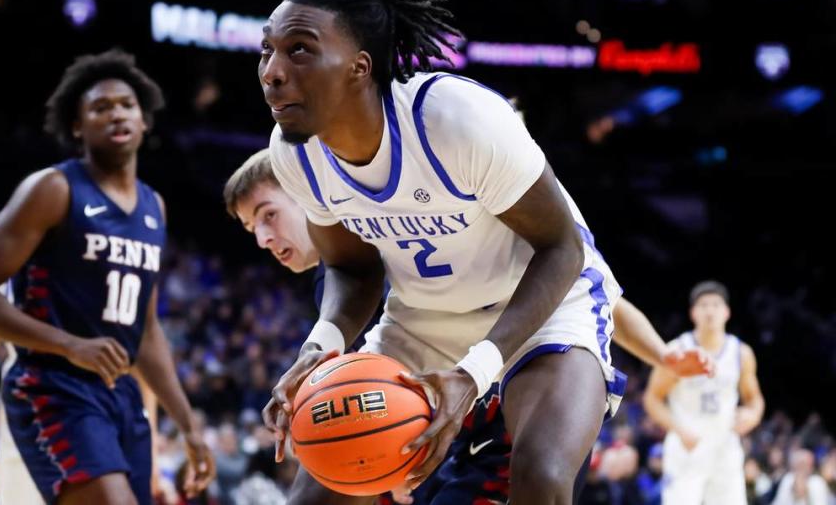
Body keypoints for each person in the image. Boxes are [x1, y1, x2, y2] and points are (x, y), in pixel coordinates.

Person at [228, 73, 708, 505]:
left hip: (507, 416)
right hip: (445, 422)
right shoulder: (352, 268)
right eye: (252, 230)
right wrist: (376, 456)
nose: (265, 239)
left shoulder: (505, 212)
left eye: (268, 215)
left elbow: (603, 302)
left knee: (538, 474)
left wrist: (662, 356)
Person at [0, 49, 215, 505]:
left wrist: (188, 425)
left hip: (121, 396)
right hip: (53, 386)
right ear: (77, 126)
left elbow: (146, 331)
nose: (116, 113)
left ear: (145, 120)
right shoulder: (52, 189)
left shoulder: (155, 208)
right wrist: (69, 344)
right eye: (100, 107)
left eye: (127, 104)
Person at [0, 315, 162, 504]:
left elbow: (140, 355)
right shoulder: (8, 263)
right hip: (31, 407)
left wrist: (151, 441)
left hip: (108, 407)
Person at [644, 280, 766, 505]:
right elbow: (652, 398)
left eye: (716, 305)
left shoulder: (741, 352)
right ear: (693, 313)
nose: (710, 310)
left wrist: (753, 415)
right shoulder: (677, 350)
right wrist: (679, 430)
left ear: (727, 312)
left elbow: (754, 398)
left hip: (725, 446)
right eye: (703, 305)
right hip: (687, 445)